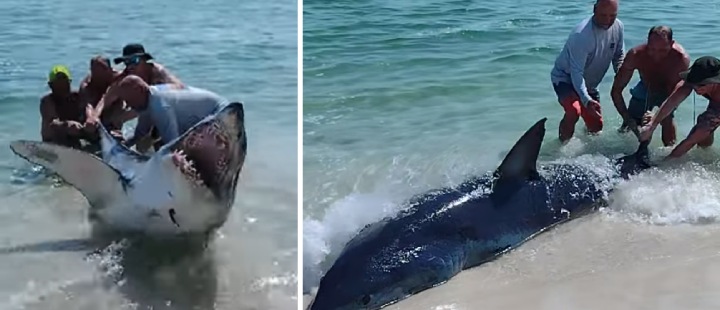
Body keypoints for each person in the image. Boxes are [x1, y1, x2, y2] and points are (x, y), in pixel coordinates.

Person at [85, 75, 229, 150]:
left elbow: (173, 143)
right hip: (206, 115)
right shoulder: (149, 98)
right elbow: (142, 131)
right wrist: (125, 144)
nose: (128, 105)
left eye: (129, 99)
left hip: (221, 112)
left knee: (171, 148)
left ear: (141, 91)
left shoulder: (160, 105)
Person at [550, 0, 625, 143]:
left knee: (596, 126)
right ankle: (561, 148)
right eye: (603, 15)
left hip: (590, 83)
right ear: (594, 9)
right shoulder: (581, 35)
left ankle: (586, 148)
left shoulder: (618, 27)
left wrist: (622, 76)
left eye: (612, 16)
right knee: (574, 111)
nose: (607, 21)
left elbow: (619, 55)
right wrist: (586, 100)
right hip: (565, 78)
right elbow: (576, 73)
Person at [611, 25, 690, 146]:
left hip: (669, 90)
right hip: (645, 86)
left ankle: (670, 155)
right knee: (627, 127)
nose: (656, 55)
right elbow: (616, 91)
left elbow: (675, 95)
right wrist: (628, 118)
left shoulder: (680, 59)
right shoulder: (636, 55)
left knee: (666, 118)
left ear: (672, 43)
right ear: (647, 43)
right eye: (652, 49)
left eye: (662, 50)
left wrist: (655, 118)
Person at [640, 56, 720, 160]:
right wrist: (652, 125)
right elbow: (672, 101)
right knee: (704, 122)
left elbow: (690, 140)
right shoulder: (693, 80)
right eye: (695, 84)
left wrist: (665, 162)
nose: (696, 88)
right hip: (716, 100)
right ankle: (704, 152)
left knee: (703, 128)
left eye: (702, 85)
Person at [39, 65, 97, 150]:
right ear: (50, 85)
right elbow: (52, 122)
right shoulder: (47, 101)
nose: (62, 88)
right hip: (55, 141)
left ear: (70, 82)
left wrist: (90, 122)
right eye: (58, 85)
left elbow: (90, 108)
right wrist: (66, 125)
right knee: (52, 130)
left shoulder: (78, 97)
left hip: (77, 139)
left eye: (65, 83)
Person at [78, 56, 129, 140]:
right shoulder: (87, 85)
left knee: (117, 106)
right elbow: (88, 104)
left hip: (113, 105)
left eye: (103, 70)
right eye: (95, 72)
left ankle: (115, 130)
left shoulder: (118, 78)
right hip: (94, 104)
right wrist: (90, 118)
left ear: (110, 69)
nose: (99, 75)